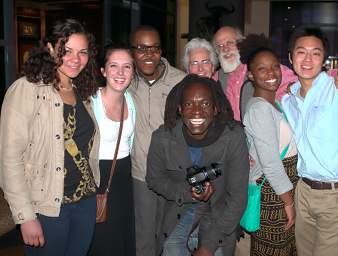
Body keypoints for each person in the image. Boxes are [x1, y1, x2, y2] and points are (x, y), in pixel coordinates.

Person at [0, 19, 101, 255]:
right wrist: (25, 216)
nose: (75, 59)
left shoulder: (82, 91)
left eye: (82, 52)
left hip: (85, 203)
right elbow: (9, 158)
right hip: (47, 207)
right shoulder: (26, 89)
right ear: (49, 48)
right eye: (66, 51)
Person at [282, 27, 338, 256]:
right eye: (301, 52)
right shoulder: (288, 99)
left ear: (324, 60)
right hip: (303, 192)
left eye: (316, 53)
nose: (308, 59)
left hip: (336, 195)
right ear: (291, 57)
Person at [146, 74, 250, 256]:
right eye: (188, 104)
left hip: (220, 214)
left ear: (216, 108)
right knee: (172, 249)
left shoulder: (233, 137)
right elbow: (154, 180)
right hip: (179, 211)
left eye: (205, 104)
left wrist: (208, 247)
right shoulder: (163, 138)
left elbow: (237, 198)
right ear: (179, 109)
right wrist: (187, 193)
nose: (196, 111)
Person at [212, 26, 338, 121]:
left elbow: (304, 78)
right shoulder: (217, 78)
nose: (225, 49)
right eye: (219, 46)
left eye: (229, 43)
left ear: (241, 43)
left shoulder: (264, 70)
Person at [128, 25, 185, 256]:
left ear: (162, 51)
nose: (149, 54)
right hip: (140, 174)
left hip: (174, 173)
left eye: (154, 48)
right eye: (141, 48)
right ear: (132, 52)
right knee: (143, 238)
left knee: (172, 236)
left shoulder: (180, 81)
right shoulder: (125, 81)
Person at [242, 42, 298, 255]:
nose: (271, 73)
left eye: (275, 66)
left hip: (280, 189)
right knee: (273, 249)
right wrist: (289, 203)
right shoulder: (260, 109)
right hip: (273, 195)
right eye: (262, 68)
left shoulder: (273, 104)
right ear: (250, 75)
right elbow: (272, 164)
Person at [89, 43, 136, 255]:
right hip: (98, 180)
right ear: (103, 70)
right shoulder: (90, 102)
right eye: (114, 65)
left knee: (123, 239)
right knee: (102, 242)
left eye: (127, 67)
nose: (120, 72)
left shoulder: (131, 101)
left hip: (124, 180)